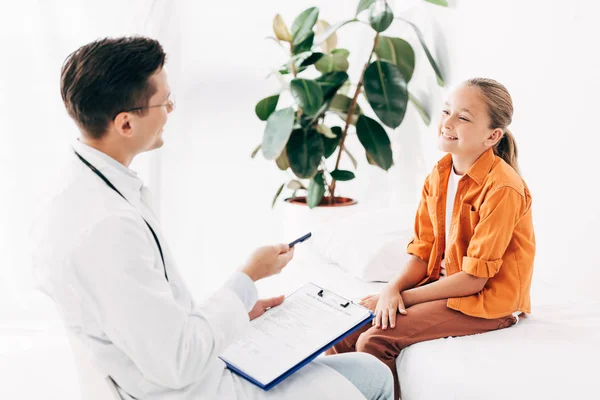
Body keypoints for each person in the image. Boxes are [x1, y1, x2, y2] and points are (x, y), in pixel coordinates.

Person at [30, 36, 393, 400]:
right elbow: (177, 362)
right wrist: (247, 278)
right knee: (373, 377)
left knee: (350, 368)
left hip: (173, 370)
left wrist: (237, 313)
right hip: (190, 388)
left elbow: (150, 318)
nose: (171, 110)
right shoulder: (107, 229)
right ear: (125, 124)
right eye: (164, 101)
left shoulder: (78, 189)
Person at [327, 78, 536, 400]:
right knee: (343, 329)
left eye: (463, 118)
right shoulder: (438, 176)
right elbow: (423, 253)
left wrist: (404, 299)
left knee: (374, 340)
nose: (447, 123)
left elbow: (473, 281)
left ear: (493, 136)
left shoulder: (503, 189)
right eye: (446, 111)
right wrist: (391, 290)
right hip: (441, 287)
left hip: (486, 302)